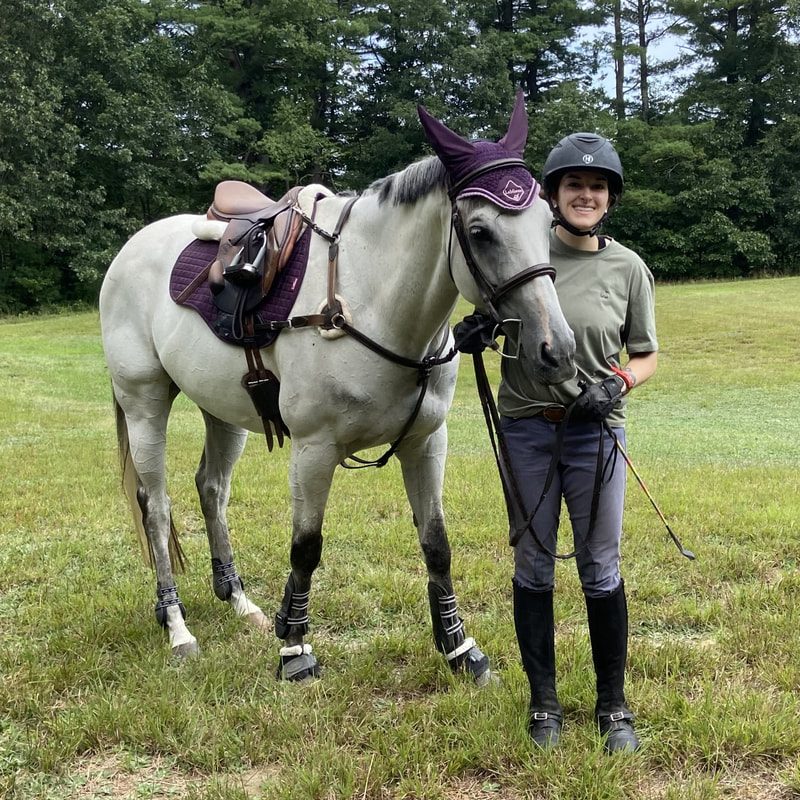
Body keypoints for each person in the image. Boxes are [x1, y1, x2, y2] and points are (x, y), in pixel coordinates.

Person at [455, 132, 658, 752]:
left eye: (597, 187)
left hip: (594, 434)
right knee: (534, 563)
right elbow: (492, 300)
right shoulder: (523, 249)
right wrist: (477, 331)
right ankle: (544, 703)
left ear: (610, 199)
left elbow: (647, 355)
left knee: (600, 566)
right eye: (574, 185)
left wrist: (618, 383)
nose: (586, 195)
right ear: (553, 194)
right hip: (526, 430)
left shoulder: (628, 268)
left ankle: (613, 706)